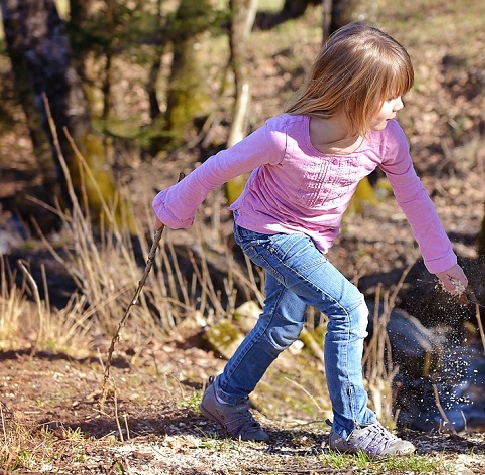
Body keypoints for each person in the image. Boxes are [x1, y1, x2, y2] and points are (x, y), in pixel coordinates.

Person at [152, 21, 468, 459]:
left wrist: (441, 260)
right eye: (390, 95)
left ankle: (223, 398)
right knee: (349, 307)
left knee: (282, 327)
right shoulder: (284, 135)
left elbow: (413, 196)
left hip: (311, 239)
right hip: (266, 231)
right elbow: (217, 168)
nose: (399, 106)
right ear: (353, 92)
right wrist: (173, 208)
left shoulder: (385, 140)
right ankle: (353, 426)